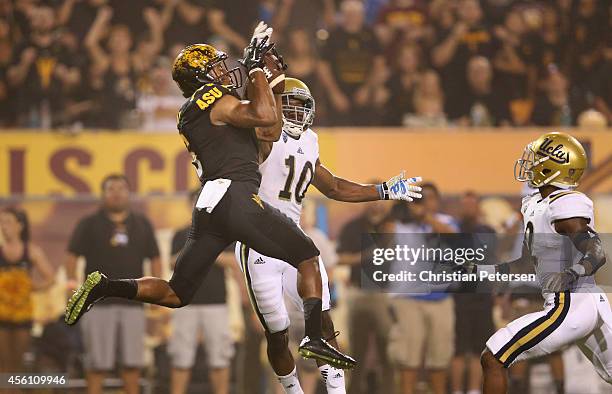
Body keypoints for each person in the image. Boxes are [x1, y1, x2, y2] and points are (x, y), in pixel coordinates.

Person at [64, 23, 356, 370]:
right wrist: (256, 69)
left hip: (210, 203)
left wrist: (268, 82)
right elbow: (263, 116)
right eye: (216, 66)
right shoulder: (211, 99)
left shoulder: (202, 111)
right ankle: (314, 337)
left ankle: (105, 287)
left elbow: (269, 131)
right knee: (308, 256)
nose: (223, 70)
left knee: (176, 293)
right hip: (235, 196)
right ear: (202, 76)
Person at [236, 77, 422, 394]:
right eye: (288, 103)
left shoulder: (310, 141)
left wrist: (384, 190)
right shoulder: (264, 135)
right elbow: (260, 127)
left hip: (294, 240)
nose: (296, 111)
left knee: (325, 326)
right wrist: (261, 82)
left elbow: (333, 186)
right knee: (278, 334)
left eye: (301, 105)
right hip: (259, 243)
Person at [479, 131, 612, 392]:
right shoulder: (538, 204)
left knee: (493, 356)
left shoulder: (564, 204)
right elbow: (528, 264)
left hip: (568, 305)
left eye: (538, 158)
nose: (531, 163)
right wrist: (478, 270)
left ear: (555, 166)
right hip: (588, 301)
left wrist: (572, 272)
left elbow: (595, 251)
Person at [65, 174, 162, 394]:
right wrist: (72, 286)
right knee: (97, 364)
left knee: (132, 364)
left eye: (121, 188)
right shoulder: (89, 223)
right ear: (103, 194)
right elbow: (71, 257)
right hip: (97, 304)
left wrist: (156, 295)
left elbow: (155, 259)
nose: (116, 192)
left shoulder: (142, 223)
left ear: (129, 194)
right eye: (111, 189)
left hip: (134, 302)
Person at [168, 190, 241, 394]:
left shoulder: (225, 233)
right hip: (184, 303)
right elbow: (172, 261)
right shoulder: (180, 234)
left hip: (216, 303)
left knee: (220, 357)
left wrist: (206, 253)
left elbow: (234, 262)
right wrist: (196, 252)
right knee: (181, 357)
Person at [389, 183, 458, 394]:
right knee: (409, 356)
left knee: (440, 356)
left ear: (436, 201)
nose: (424, 203)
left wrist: (426, 218)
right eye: (419, 199)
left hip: (441, 297)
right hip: (407, 296)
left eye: (428, 198)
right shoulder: (398, 224)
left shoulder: (445, 221)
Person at [337, 197, 396, 394]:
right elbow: (341, 257)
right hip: (359, 293)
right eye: (372, 199)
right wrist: (370, 253)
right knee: (356, 353)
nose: (377, 204)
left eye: (381, 201)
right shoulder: (352, 227)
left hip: (385, 294)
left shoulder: (394, 226)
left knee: (388, 353)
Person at [0, 207, 54, 378]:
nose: (3, 226)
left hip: (22, 315)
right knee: (4, 364)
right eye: (1, 222)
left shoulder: (30, 251)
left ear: (20, 225)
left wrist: (34, 287)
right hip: (1, 314)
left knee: (17, 365)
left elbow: (50, 277)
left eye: (8, 222)